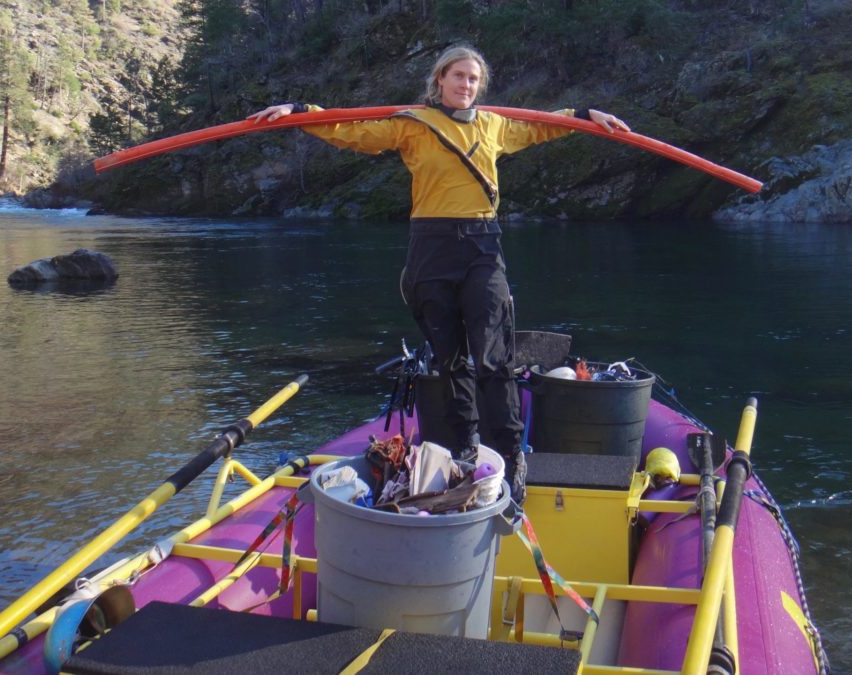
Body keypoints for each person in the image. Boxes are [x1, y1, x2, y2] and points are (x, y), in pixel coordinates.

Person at [250, 45, 629, 504]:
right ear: (439, 80)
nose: (466, 85)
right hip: (430, 247)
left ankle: (511, 456)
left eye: (473, 79)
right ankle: (466, 446)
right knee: (450, 359)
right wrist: (300, 112)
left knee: (493, 358)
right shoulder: (412, 124)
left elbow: (542, 126)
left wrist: (586, 114)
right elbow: (353, 131)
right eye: (458, 76)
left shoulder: (496, 124)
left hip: (482, 246)